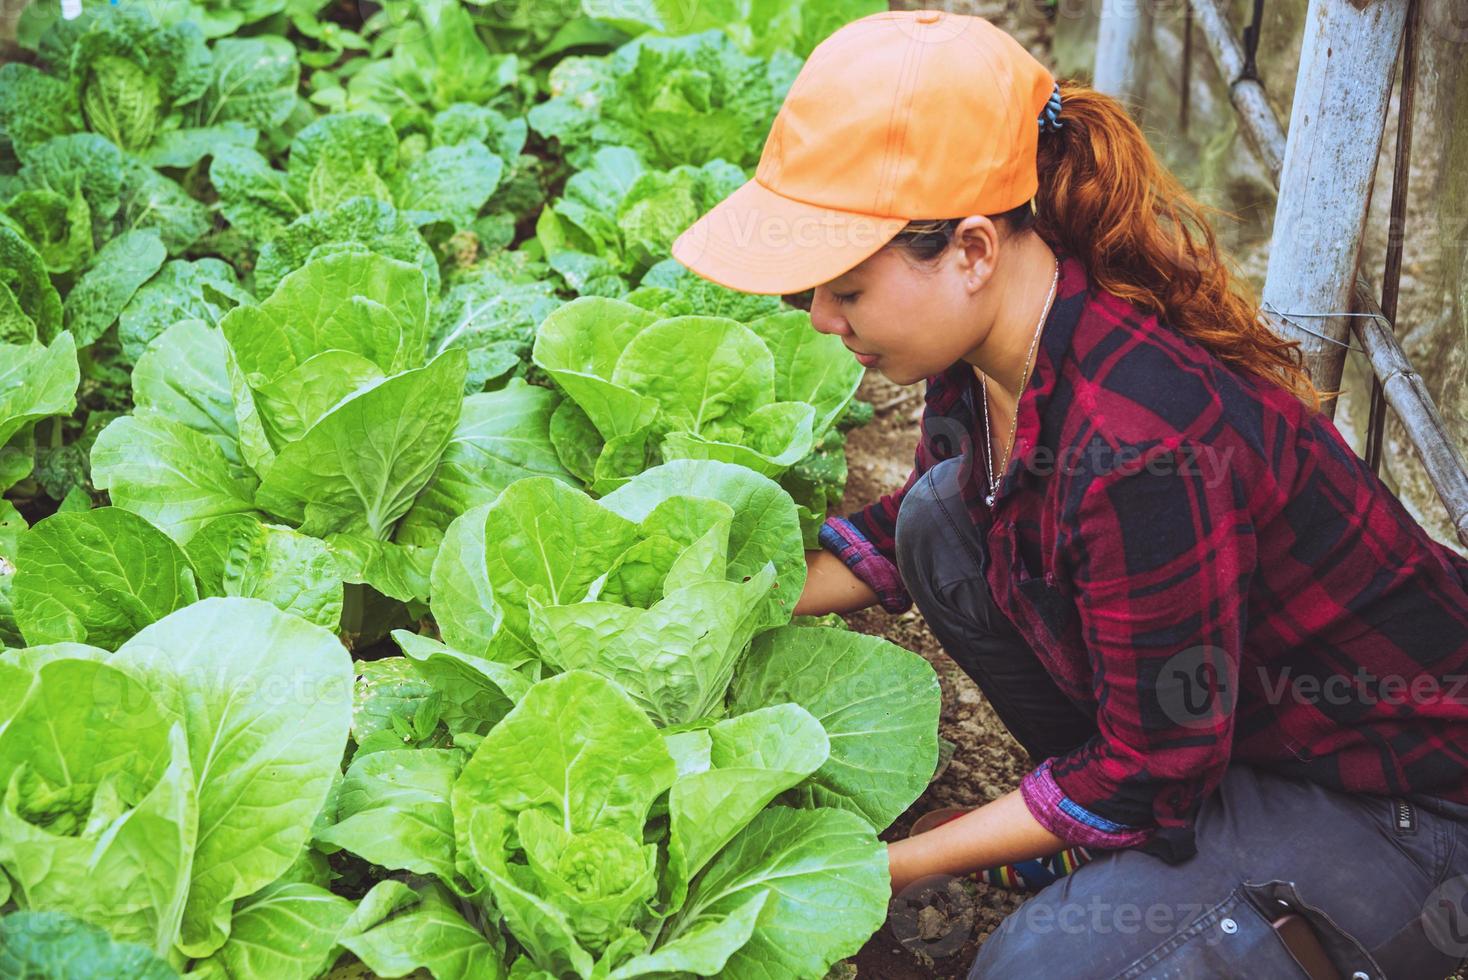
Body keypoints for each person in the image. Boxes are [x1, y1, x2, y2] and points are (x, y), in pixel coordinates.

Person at [671, 9, 1468, 978]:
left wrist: (880, 866)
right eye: (808, 298)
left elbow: (1150, 767)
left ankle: (1167, 879)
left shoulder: (1141, 449)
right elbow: (914, 513)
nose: (823, 322)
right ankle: (1119, 844)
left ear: (968, 249)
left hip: (1402, 804)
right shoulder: (991, 346)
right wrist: (706, 613)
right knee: (939, 520)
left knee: (1038, 964)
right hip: (1222, 733)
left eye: (843, 289)